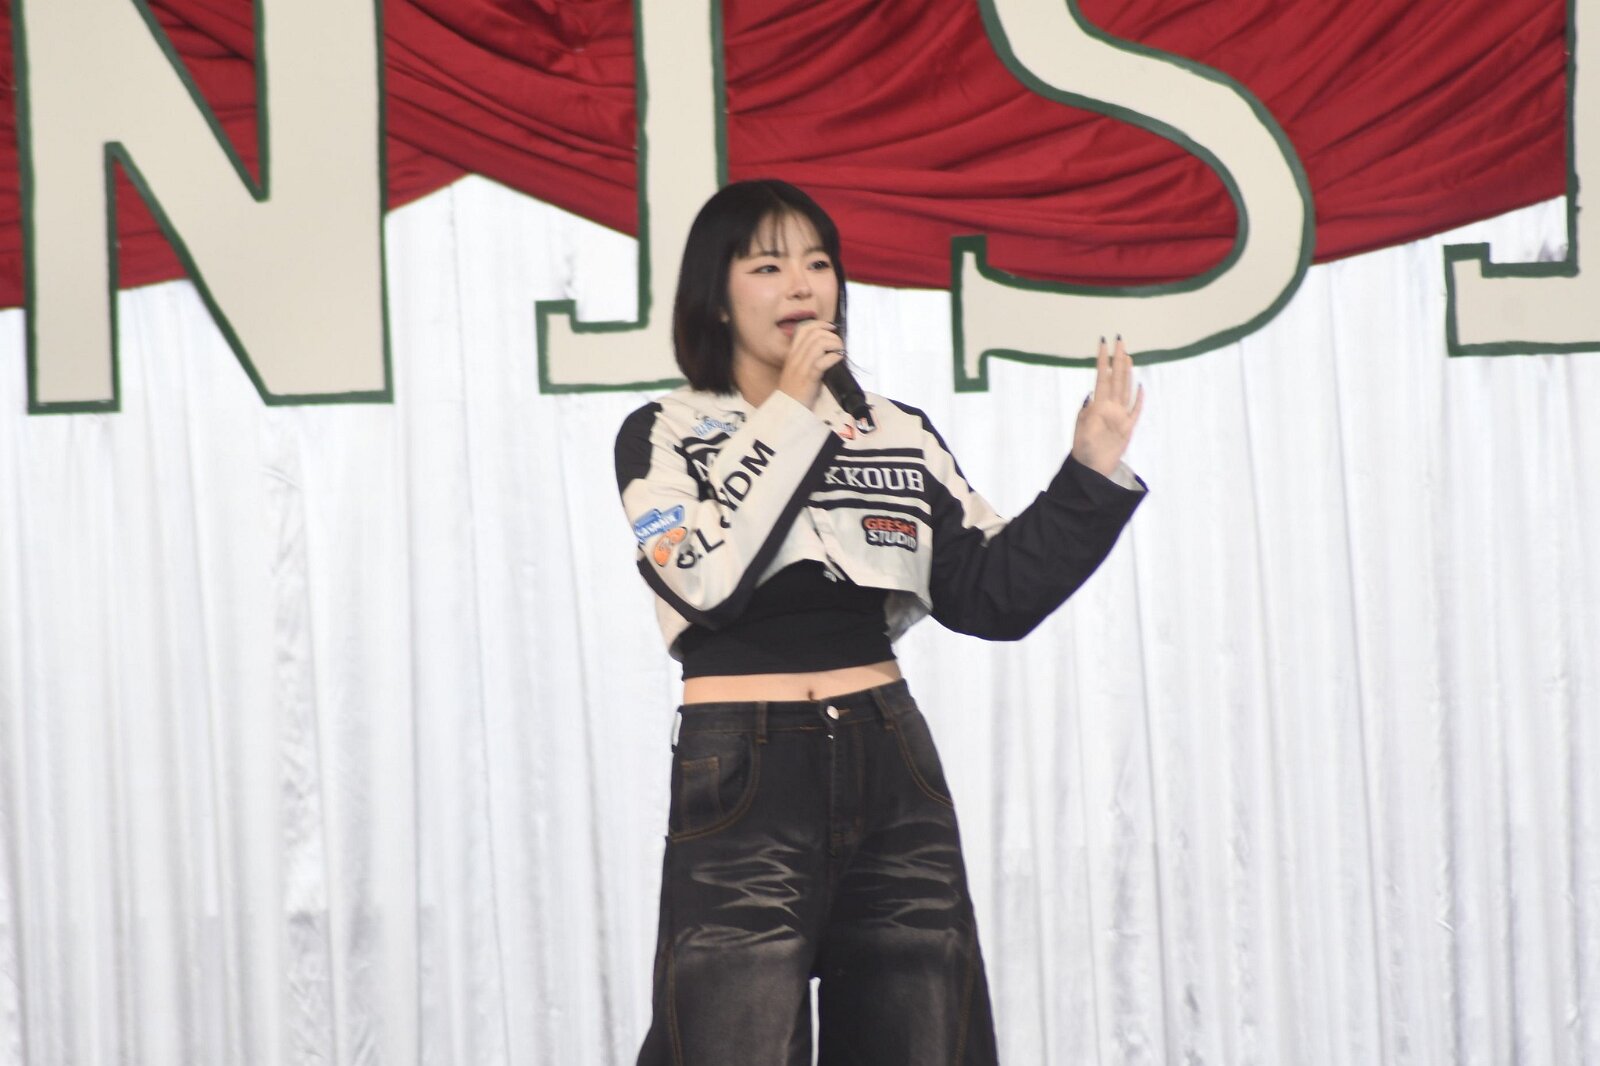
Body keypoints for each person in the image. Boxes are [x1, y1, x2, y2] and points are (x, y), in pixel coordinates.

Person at [613, 179, 1145, 1065]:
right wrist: (790, 412)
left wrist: (1088, 472)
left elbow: (991, 595)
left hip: (888, 754)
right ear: (717, 297)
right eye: (768, 266)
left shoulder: (896, 429)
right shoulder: (664, 431)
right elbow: (703, 581)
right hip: (742, 766)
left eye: (818, 263)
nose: (801, 284)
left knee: (923, 1031)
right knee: (729, 1039)